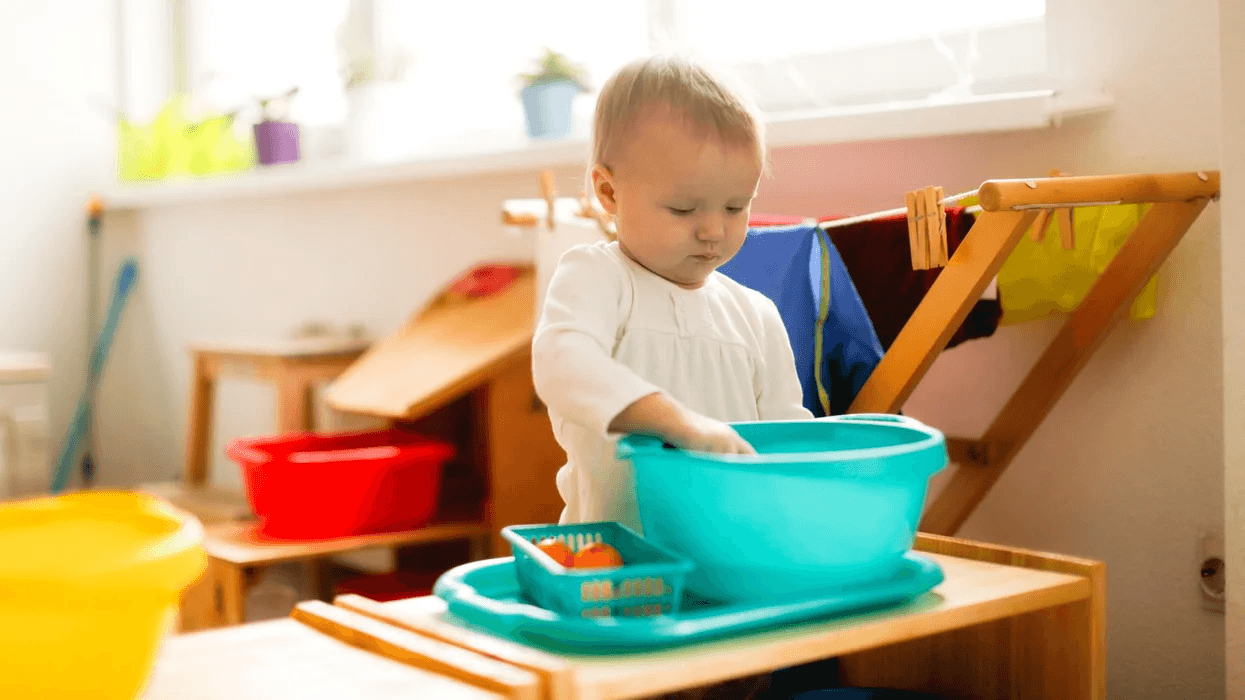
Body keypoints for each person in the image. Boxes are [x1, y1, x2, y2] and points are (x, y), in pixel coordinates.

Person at [532, 54, 813, 535]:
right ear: (609, 193)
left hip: (734, 554)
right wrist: (675, 422)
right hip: (615, 566)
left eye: (735, 206)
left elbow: (787, 445)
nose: (713, 230)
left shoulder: (756, 315)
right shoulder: (596, 277)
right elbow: (562, 361)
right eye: (683, 209)